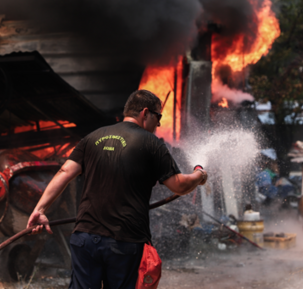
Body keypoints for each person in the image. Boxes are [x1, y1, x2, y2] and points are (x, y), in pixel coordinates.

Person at [26, 90, 208, 289]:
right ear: (145, 113)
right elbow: (179, 185)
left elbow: (64, 171)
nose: (159, 124)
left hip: (85, 238)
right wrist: (199, 175)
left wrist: (40, 209)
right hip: (124, 241)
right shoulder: (152, 143)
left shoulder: (92, 137)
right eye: (158, 117)